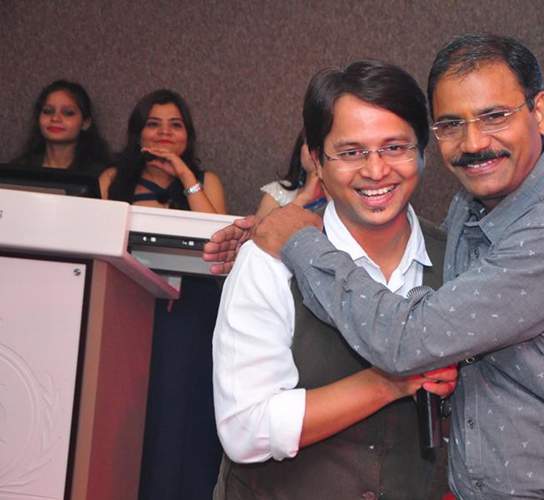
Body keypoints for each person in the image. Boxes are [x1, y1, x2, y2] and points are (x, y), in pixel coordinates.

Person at [205, 34, 544, 499]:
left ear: (539, 112)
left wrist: (296, 238)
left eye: (494, 116)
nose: (474, 142)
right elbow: (244, 430)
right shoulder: (468, 218)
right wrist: (274, 237)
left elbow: (410, 342)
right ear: (318, 160)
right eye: (452, 124)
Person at [212, 60, 455, 500]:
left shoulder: (458, 260)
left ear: (423, 151)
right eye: (351, 152)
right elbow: (245, 429)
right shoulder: (270, 258)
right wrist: (389, 382)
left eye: (395, 147)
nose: (376, 170)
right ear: (317, 161)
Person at [100, 89, 226, 499]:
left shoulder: (206, 181)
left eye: (175, 125)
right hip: (130, 303)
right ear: (138, 132)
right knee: (133, 403)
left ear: (189, 134)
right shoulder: (112, 180)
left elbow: (218, 238)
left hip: (193, 308)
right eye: (154, 124)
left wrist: (185, 176)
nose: (165, 133)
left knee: (185, 404)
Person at [12, 79, 110, 172]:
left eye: (68, 113)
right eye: (48, 111)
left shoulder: (101, 175)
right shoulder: (19, 169)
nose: (55, 118)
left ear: (85, 123)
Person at [255, 130, 325, 219]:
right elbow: (262, 228)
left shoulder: (338, 198)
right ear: (300, 150)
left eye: (321, 145)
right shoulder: (278, 192)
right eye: (311, 143)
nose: (314, 151)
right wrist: (304, 197)